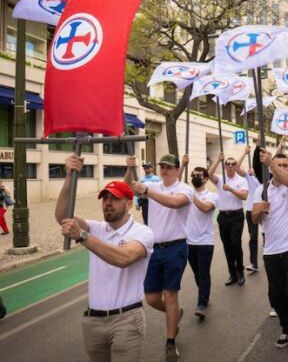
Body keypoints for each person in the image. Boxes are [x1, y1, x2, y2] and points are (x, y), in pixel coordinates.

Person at [58, 154, 154, 362]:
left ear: (129, 204)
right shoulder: (97, 228)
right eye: (105, 198)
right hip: (93, 320)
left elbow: (124, 258)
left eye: (114, 198)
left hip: (127, 320)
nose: (108, 203)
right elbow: (62, 215)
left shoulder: (143, 232)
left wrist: (82, 236)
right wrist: (69, 176)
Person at [125, 154, 194, 362]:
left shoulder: (185, 189)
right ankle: (176, 313)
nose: (164, 170)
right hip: (154, 249)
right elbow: (126, 188)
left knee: (170, 294)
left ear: (176, 169)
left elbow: (174, 203)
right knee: (152, 298)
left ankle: (170, 342)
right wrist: (129, 169)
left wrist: (147, 191)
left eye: (168, 167)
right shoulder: (153, 185)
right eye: (161, 166)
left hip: (176, 248)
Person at [252, 150, 288, 353]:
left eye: (286, 165)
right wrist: (260, 211)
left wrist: (273, 164)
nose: (283, 168)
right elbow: (254, 219)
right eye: (279, 165)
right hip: (271, 249)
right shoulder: (261, 190)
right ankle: (287, 328)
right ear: (269, 168)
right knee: (276, 295)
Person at [208, 153, 249, 286]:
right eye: (228, 164)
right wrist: (217, 160)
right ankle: (232, 274)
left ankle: (240, 272)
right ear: (225, 166)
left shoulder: (241, 180)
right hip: (223, 216)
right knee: (227, 246)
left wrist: (231, 189)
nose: (230, 166)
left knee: (235, 244)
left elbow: (244, 196)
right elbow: (208, 174)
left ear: (236, 166)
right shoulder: (220, 179)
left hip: (236, 216)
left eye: (233, 164)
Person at [184, 164, 219, 320]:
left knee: (204, 272)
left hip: (205, 240)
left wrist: (191, 195)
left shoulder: (212, 196)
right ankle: (204, 293)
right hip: (189, 241)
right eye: (193, 175)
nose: (195, 177)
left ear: (205, 178)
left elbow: (205, 208)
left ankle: (202, 305)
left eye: (199, 175)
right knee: (197, 273)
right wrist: (183, 165)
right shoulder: (187, 194)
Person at [236, 145, 262, 274]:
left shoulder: (266, 175)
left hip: (264, 209)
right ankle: (253, 263)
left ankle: (272, 258)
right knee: (253, 237)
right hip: (251, 210)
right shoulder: (248, 175)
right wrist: (245, 153)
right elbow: (236, 167)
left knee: (267, 235)